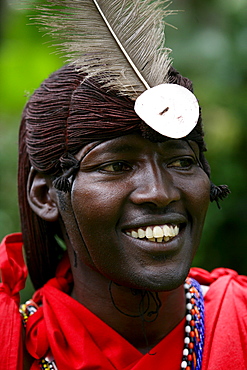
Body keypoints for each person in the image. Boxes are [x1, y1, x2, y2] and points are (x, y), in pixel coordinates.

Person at [0, 1, 246, 370]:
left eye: (181, 161)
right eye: (116, 165)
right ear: (45, 195)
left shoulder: (239, 320)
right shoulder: (14, 349)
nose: (160, 192)